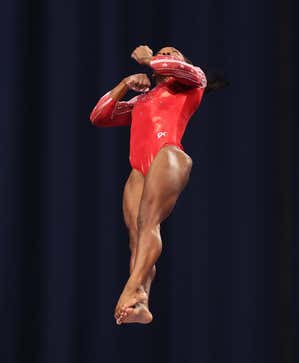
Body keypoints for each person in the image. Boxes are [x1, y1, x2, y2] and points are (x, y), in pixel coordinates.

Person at [89, 45, 226, 324]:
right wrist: (126, 84)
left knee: (149, 222)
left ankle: (130, 289)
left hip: (168, 155)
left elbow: (175, 68)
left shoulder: (193, 82)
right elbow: (99, 116)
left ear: (183, 61)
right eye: (161, 53)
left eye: (172, 52)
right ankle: (141, 303)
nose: (165, 55)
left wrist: (151, 59)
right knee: (136, 238)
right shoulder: (142, 101)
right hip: (139, 168)